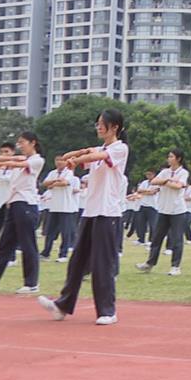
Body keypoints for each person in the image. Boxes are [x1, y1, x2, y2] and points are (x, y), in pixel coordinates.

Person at [38, 109, 129, 325]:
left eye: (102, 124)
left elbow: (95, 155)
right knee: (77, 261)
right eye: (97, 123)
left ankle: (107, 311)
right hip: (91, 212)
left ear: (114, 127)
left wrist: (76, 160)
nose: (98, 127)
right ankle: (63, 305)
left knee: (102, 263)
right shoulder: (101, 148)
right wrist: (71, 156)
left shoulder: (119, 148)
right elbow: (87, 151)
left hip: (108, 213)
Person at [0, 132, 45, 294]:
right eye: (18, 143)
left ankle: (32, 282)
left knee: (28, 244)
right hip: (13, 204)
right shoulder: (19, 160)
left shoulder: (37, 160)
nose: (20, 145)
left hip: (26, 204)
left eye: (23, 142)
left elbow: (17, 163)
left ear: (33, 143)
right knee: (5, 244)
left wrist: (8, 161)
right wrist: (5, 162)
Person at [137, 149, 190, 276]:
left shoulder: (183, 172)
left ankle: (175, 266)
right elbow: (153, 181)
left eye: (171, 156)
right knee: (157, 238)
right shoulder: (165, 171)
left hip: (177, 210)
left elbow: (179, 186)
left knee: (177, 239)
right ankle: (150, 263)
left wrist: (165, 182)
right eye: (168, 156)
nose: (169, 158)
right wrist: (167, 181)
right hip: (163, 209)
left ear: (178, 158)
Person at [40, 156, 80, 263]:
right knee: (50, 231)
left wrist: (52, 184)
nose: (59, 162)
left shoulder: (69, 172)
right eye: (57, 160)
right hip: (54, 206)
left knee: (65, 232)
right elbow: (45, 184)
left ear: (66, 162)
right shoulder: (53, 172)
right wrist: (55, 181)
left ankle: (63, 254)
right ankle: (46, 253)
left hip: (66, 207)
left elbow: (65, 183)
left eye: (61, 160)